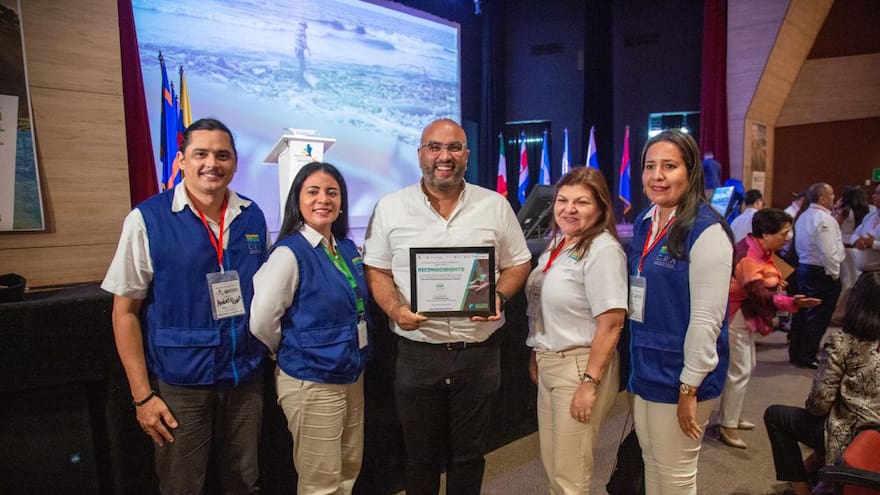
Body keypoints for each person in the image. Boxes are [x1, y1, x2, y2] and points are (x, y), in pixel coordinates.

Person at [362, 118, 531, 495]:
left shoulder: (495, 205)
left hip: (478, 353)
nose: (445, 156)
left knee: (470, 456)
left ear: (466, 155)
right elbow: (377, 270)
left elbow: (518, 262)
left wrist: (498, 296)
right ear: (421, 153)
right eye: (435, 147)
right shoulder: (391, 207)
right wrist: (394, 310)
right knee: (420, 457)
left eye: (454, 148)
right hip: (418, 352)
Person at [101, 118, 269, 494]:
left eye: (222, 155)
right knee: (182, 486)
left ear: (236, 163)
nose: (212, 163)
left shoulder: (252, 215)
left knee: (245, 482)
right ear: (181, 160)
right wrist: (142, 397)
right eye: (201, 154)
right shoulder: (147, 219)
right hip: (181, 383)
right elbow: (124, 313)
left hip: (244, 377)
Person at [250, 162, 369, 494]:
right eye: (312, 191)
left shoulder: (345, 248)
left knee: (347, 470)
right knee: (321, 483)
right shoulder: (289, 253)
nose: (323, 199)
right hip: (311, 380)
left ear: (342, 202)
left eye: (332, 192)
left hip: (350, 375)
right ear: (297, 201)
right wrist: (288, 349)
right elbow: (262, 320)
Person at [626, 129, 733, 495]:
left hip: (683, 374)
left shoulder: (706, 230)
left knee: (676, 476)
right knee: (653, 462)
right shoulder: (645, 222)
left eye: (669, 166)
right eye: (650, 166)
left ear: (690, 172)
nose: (657, 175)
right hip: (646, 365)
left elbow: (707, 319)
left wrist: (690, 386)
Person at [525, 167, 627, 494]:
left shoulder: (603, 250)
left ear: (600, 207)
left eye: (581, 202)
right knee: (555, 465)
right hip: (550, 360)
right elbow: (542, 301)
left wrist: (590, 383)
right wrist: (537, 350)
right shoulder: (560, 241)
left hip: (581, 367)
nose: (568, 209)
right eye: (562, 200)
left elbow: (612, 323)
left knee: (572, 475)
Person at [764, 271, 880, 495]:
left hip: (853, 432)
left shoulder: (843, 342)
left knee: (776, 416)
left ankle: (802, 491)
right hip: (874, 432)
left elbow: (819, 403)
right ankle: (819, 472)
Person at [718, 208, 820, 449]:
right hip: (737, 315)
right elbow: (760, 296)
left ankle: (731, 415)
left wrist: (775, 280)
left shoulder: (759, 248)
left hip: (745, 316)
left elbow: (766, 278)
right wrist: (793, 302)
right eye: (784, 233)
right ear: (766, 233)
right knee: (739, 371)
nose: (789, 237)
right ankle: (727, 424)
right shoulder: (749, 258)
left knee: (745, 367)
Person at [789, 182, 845, 369]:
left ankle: (797, 352)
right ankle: (808, 355)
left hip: (805, 268)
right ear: (822, 198)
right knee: (817, 316)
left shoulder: (804, 215)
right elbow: (828, 251)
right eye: (831, 194)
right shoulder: (824, 219)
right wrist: (834, 274)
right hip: (820, 272)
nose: (834, 197)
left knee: (803, 314)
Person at [851, 183, 880, 273]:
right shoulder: (870, 216)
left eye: (878, 193)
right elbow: (856, 233)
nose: (873, 195)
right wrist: (857, 241)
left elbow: (871, 243)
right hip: (866, 274)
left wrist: (873, 244)